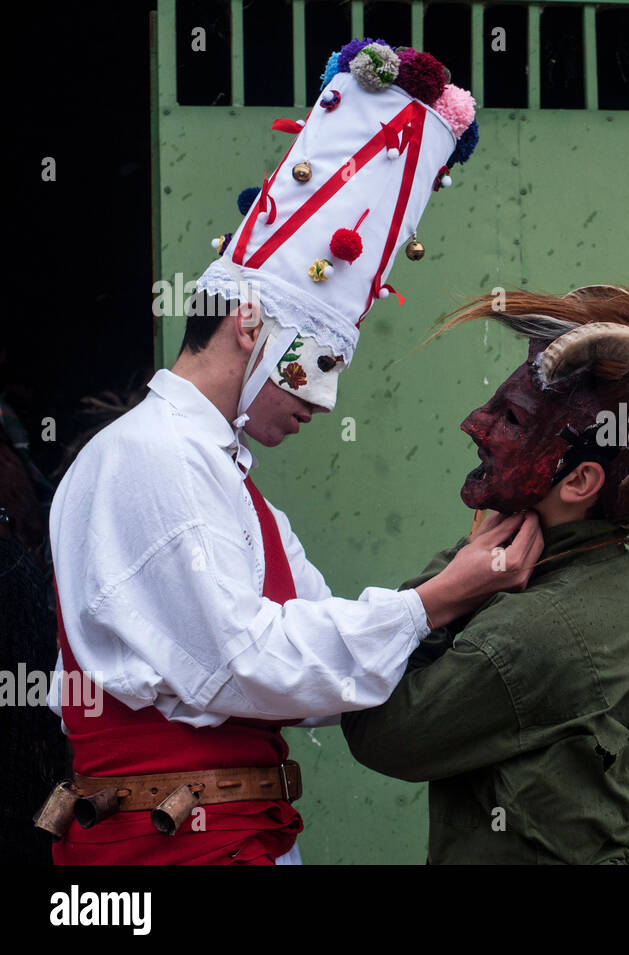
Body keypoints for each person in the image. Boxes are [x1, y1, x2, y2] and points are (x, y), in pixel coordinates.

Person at [36, 37, 540, 865]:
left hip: (236, 837)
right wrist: (432, 602)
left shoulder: (229, 481)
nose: (318, 399)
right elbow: (252, 659)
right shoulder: (147, 456)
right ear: (248, 324)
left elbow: (311, 648)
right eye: (318, 361)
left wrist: (455, 586)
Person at [341, 284, 629, 864]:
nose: (476, 424)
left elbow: (382, 731)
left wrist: (445, 588)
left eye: (513, 417)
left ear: (580, 482)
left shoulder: (534, 629)